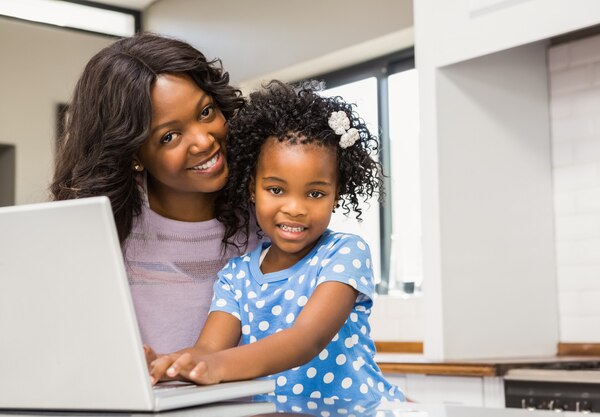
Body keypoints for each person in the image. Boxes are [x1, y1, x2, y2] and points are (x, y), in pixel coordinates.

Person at [148, 80, 405, 403]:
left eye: (315, 193)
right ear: (251, 187)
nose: (295, 209)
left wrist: (215, 365)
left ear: (336, 196)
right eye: (276, 189)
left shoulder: (343, 254)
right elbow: (207, 350)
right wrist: (163, 366)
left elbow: (305, 338)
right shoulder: (236, 276)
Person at [50, 33, 259, 354]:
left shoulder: (268, 208)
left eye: (205, 112)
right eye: (170, 136)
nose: (204, 141)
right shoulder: (103, 234)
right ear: (133, 153)